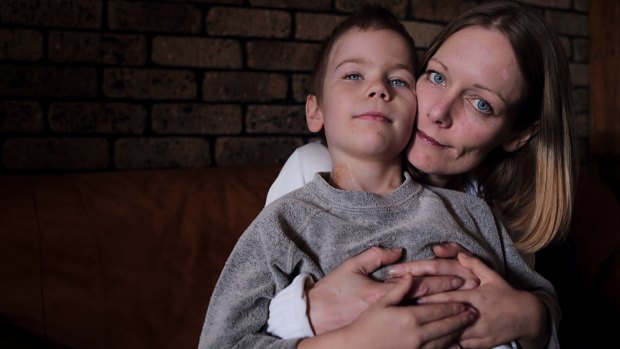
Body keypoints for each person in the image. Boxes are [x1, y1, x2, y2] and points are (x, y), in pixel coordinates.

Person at [199, 5, 560, 349]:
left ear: (518, 134)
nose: (378, 89)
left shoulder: (477, 213)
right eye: (436, 77)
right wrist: (324, 326)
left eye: (481, 103)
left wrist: (533, 316)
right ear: (315, 111)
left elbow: (540, 304)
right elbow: (225, 338)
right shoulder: (288, 215)